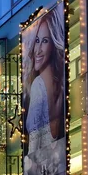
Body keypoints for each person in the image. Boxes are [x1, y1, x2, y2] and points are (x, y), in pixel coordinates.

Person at [24, 9, 65, 153]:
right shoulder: (60, 87)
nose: (38, 50)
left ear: (54, 44)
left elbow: (33, 148)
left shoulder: (37, 86)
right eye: (36, 41)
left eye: (45, 41)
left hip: (41, 170)